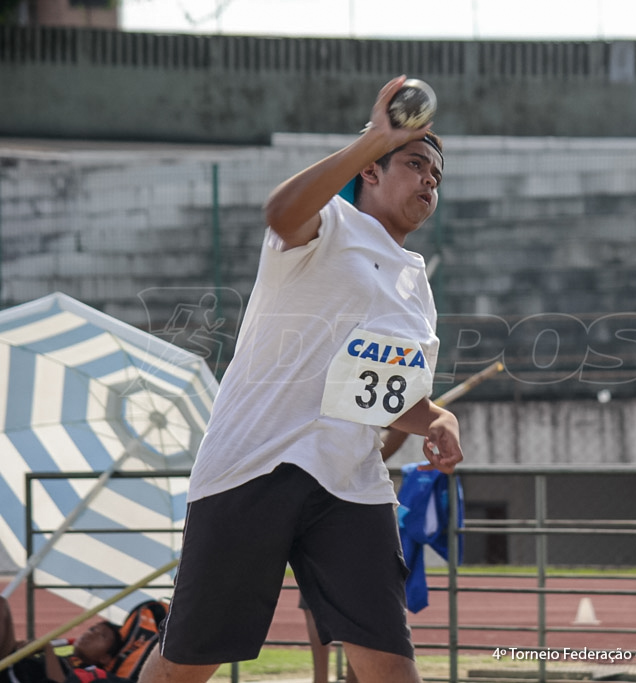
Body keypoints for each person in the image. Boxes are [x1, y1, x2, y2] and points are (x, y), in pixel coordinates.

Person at [138, 75, 463, 683]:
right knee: (190, 662)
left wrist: (433, 417)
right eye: (416, 164)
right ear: (370, 170)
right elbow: (281, 210)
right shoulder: (328, 224)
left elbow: (372, 389)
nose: (429, 181)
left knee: (392, 664)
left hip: (349, 484)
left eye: (437, 176)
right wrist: (374, 137)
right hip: (252, 466)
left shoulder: (415, 283)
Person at [300, 428, 411, 683]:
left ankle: (352, 678)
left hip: (355, 504)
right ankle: (325, 679)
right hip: (323, 502)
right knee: (320, 602)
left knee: (362, 605)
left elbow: (392, 436)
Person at [1, 596, 125, 683]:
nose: (90, 634)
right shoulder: (65, 658)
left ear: (105, 658)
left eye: (102, 636)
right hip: (13, 667)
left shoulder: (96, 676)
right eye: (92, 629)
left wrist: (48, 649)